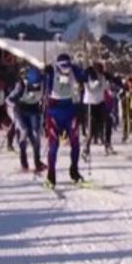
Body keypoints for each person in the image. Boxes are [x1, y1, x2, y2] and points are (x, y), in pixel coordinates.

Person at [43, 53, 89, 188]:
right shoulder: (52, 72)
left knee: (75, 143)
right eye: (63, 66)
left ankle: (74, 171)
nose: (66, 68)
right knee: (53, 146)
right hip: (54, 113)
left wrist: (89, 73)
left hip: (70, 112)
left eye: (68, 65)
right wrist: (45, 74)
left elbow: (84, 77)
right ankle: (51, 176)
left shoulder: (74, 69)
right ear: (58, 65)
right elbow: (42, 82)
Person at [7, 68, 46, 173]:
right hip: (20, 112)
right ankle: (24, 163)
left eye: (37, 84)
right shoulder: (21, 86)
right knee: (24, 132)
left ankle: (37, 162)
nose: (35, 87)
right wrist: (14, 103)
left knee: (36, 136)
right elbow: (8, 99)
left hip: (34, 111)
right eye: (33, 85)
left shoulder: (43, 83)